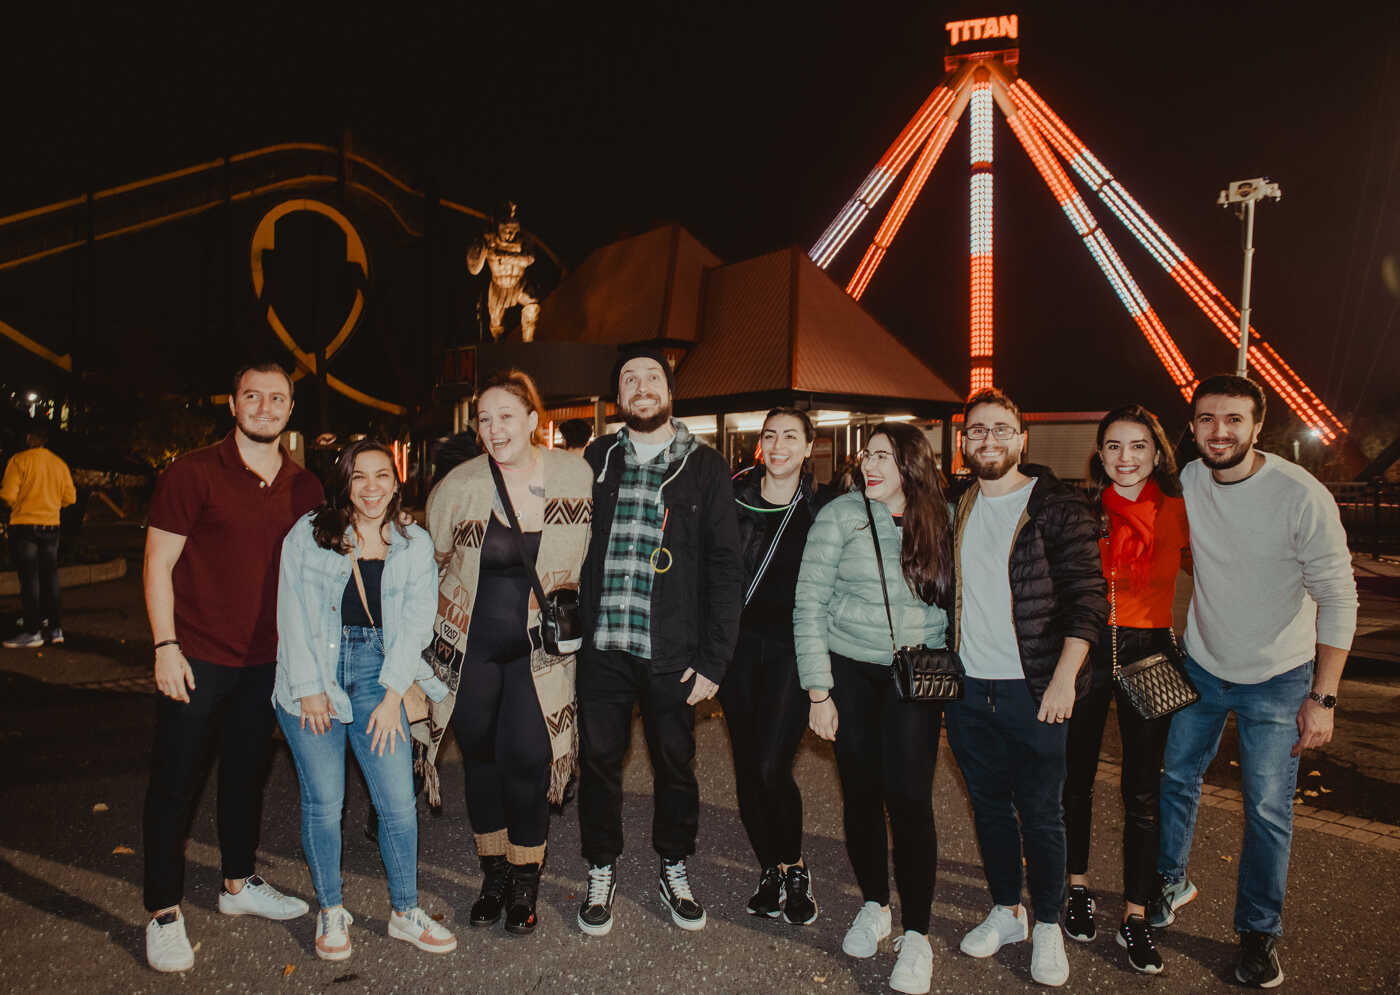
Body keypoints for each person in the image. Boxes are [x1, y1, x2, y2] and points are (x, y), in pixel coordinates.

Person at [1151, 375, 1357, 989]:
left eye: (1233, 420)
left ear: (1257, 426)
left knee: (1267, 810)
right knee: (1176, 780)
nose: (1220, 431)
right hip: (1204, 664)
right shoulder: (1188, 481)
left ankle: (1259, 933)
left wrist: (1322, 697)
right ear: (1191, 428)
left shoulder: (1301, 495)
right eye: (1208, 419)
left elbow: (1339, 599)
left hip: (1279, 676)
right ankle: (1170, 880)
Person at [141, 362, 324, 973]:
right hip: (195, 656)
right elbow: (158, 563)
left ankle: (238, 886)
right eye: (253, 396)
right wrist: (165, 646)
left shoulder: (307, 488)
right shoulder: (192, 472)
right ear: (233, 402)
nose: (265, 407)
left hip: (268, 662)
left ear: (290, 409)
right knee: (176, 783)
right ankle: (163, 911)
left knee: (245, 776)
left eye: (277, 399)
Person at [574, 343, 743, 936]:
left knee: (676, 765)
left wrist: (716, 660)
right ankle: (601, 865)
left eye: (652, 377)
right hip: (604, 646)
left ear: (670, 392)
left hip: (673, 650)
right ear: (618, 397)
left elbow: (726, 568)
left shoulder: (705, 466)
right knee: (598, 762)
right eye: (629, 378)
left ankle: (674, 863)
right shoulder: (595, 458)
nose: (641, 386)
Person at [420, 369, 593, 936]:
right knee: (481, 762)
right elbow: (434, 559)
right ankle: (492, 875)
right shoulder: (461, 484)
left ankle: (525, 882)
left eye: (507, 416)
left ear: (534, 420)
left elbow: (592, 555)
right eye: (484, 419)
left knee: (525, 758)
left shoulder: (574, 475)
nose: (495, 429)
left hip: (538, 654)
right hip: (471, 652)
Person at [945, 387, 1107, 988]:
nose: (987, 440)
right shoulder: (957, 504)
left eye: (999, 429)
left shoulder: (1057, 507)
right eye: (976, 431)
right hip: (968, 690)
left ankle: (1047, 925)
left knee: (1041, 812)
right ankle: (1006, 910)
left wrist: (1064, 680)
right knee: (988, 806)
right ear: (964, 443)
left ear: (1021, 439)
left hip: (1034, 688)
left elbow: (1089, 601)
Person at [274, 440, 456, 960]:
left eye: (382, 475)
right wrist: (309, 690)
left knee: (398, 801)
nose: (372, 487)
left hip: (383, 668)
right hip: (315, 669)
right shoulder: (310, 535)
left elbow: (418, 621)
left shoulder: (412, 541)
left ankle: (405, 910)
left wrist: (393, 693)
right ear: (345, 483)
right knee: (325, 801)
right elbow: (291, 612)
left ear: (397, 483)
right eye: (360, 477)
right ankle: (331, 910)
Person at [794, 422, 954, 995]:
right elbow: (808, 600)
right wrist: (818, 690)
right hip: (850, 671)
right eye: (867, 456)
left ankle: (917, 935)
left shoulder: (942, 517)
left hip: (917, 675)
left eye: (883, 456)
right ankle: (874, 904)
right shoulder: (840, 514)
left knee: (909, 800)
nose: (870, 465)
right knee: (860, 793)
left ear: (911, 464)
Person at [1060, 405, 1189, 974]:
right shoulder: (1084, 510)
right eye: (1113, 446)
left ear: (1157, 453)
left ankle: (1135, 915)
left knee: (1142, 790)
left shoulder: (1181, 511)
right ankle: (1077, 885)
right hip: (1089, 645)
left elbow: (1221, 572)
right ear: (1100, 452)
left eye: (1138, 446)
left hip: (1150, 650)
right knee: (1077, 778)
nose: (1125, 458)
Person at [721, 408, 833, 926]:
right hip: (737, 649)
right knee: (747, 767)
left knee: (771, 764)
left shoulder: (824, 509)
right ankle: (769, 866)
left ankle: (794, 865)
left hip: (793, 649)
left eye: (792, 436)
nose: (781, 444)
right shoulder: (732, 498)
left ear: (810, 446)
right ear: (760, 444)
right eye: (771, 435)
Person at [1, 424, 77, 647]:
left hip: (25, 525)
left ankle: (32, 630)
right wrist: (52, 504)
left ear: (27, 437)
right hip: (51, 525)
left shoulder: (19, 460)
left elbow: (8, 495)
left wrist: (20, 503)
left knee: (29, 578)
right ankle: (54, 628)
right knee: (50, 576)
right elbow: (70, 497)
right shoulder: (58, 463)